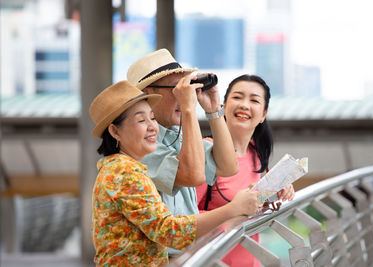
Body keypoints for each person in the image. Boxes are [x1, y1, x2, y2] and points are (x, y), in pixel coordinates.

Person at [89, 81, 259, 266]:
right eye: (141, 120)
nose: (152, 127)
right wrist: (232, 209)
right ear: (115, 131)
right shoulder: (123, 172)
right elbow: (168, 231)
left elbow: (228, 166)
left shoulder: (123, 167)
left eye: (152, 118)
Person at [126, 49, 238, 254]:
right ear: (147, 94)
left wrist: (214, 110)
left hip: (185, 254)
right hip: (156, 258)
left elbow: (228, 166)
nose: (184, 94)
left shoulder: (178, 133)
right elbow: (193, 176)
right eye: (176, 89)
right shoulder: (136, 141)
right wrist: (188, 109)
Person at [196, 74, 295, 267]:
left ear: (263, 114)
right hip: (213, 262)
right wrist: (234, 213)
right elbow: (184, 220)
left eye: (254, 100)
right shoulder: (205, 151)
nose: (244, 105)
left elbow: (258, 213)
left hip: (250, 261)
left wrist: (277, 196)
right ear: (223, 105)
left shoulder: (256, 153)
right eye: (237, 97)